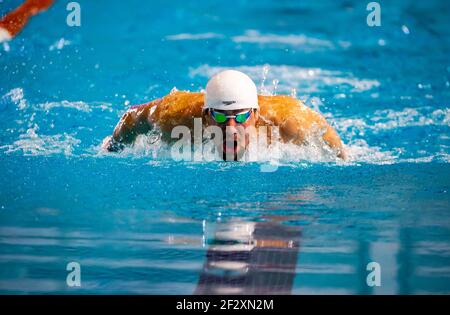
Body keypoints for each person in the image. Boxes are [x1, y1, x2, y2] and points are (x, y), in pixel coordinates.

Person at [103, 70, 347, 160]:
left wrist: (344, 158)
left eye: (240, 118)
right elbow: (132, 118)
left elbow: (335, 146)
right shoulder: (175, 116)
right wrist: (111, 148)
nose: (230, 129)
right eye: (221, 118)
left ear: (256, 115)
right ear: (206, 116)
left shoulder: (291, 121)